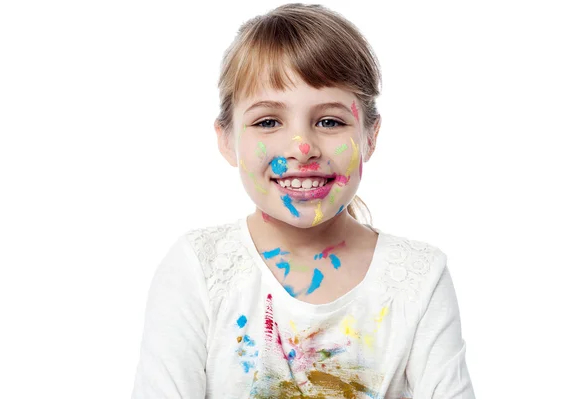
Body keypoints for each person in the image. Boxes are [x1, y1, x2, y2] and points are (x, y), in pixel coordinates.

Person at [131, 3, 475, 398]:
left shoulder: (419, 277)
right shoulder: (199, 269)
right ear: (227, 139)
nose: (302, 147)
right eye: (268, 122)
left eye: (329, 121)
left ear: (370, 135)